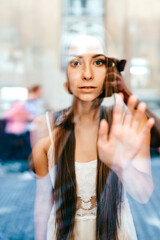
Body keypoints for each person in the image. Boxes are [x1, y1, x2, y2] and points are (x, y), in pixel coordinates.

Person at [31, 34, 154, 240]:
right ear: (65, 73)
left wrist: (119, 164)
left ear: (109, 70)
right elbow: (43, 198)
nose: (87, 74)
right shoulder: (45, 127)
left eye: (98, 62)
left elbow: (143, 195)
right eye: (76, 62)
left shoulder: (129, 123)